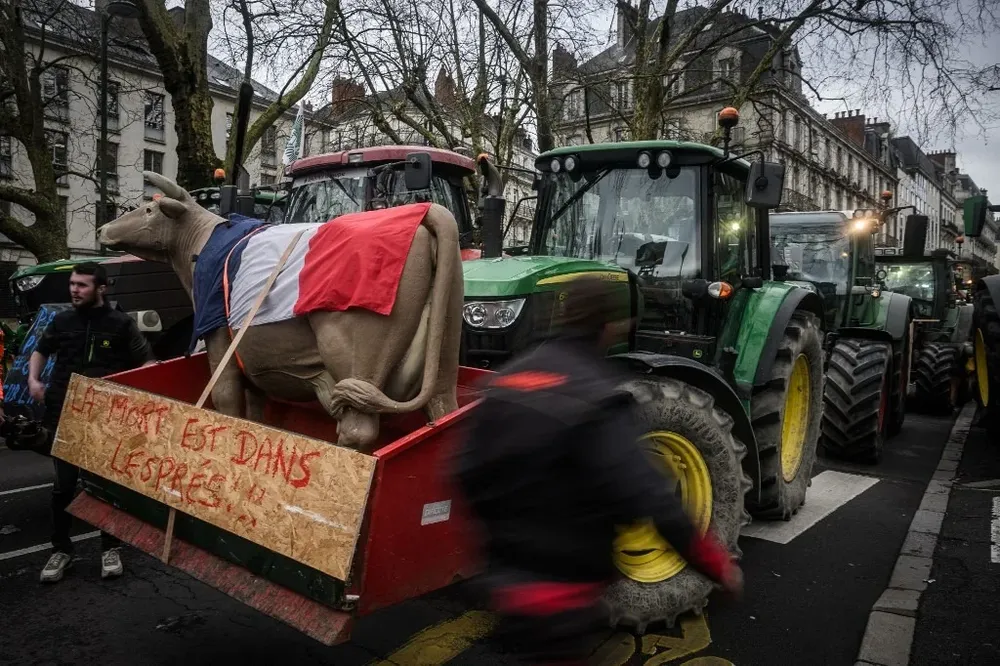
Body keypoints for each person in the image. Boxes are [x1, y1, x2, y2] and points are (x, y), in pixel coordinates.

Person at [452, 274, 743, 665]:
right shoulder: (594, 398)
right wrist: (717, 566)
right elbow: (650, 497)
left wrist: (497, 547)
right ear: (610, 327)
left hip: (508, 588)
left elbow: (467, 470)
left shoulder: (508, 380)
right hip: (564, 600)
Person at [29, 261, 157, 583]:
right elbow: (40, 351)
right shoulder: (62, 321)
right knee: (64, 487)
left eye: (82, 285)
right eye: (72, 284)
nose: (74, 290)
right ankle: (61, 550)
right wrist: (33, 380)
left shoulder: (121, 324)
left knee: (104, 486)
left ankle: (110, 548)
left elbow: (147, 362)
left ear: (101, 288)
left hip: (105, 418)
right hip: (64, 414)